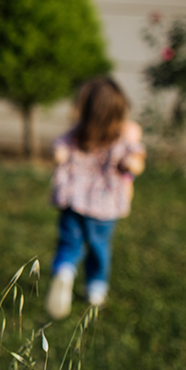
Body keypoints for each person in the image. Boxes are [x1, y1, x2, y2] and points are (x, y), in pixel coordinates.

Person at [45, 77, 145, 319]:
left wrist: (60, 155)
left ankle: (65, 271)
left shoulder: (78, 134)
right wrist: (130, 163)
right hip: (105, 206)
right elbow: (136, 163)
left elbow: (58, 150)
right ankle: (96, 290)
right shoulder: (123, 137)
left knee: (69, 243)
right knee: (99, 247)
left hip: (73, 201)